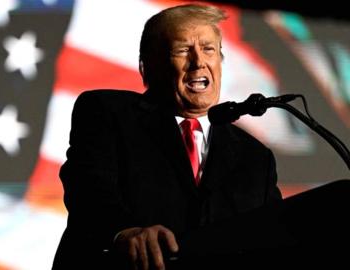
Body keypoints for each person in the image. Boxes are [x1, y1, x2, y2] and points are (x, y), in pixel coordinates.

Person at [52, 3, 282, 270]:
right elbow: (88, 189)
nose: (199, 62)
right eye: (183, 50)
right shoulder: (108, 113)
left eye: (208, 49)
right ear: (147, 66)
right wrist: (124, 232)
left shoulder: (255, 157)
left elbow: (271, 236)